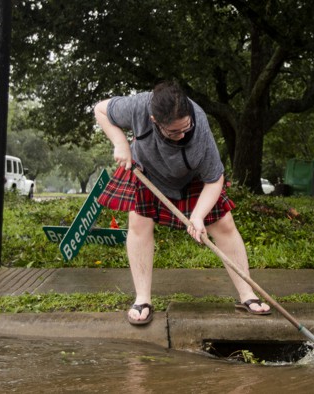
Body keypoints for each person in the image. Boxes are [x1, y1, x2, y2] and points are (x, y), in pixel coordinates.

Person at [94, 81, 271, 326]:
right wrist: (120, 143)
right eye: (174, 132)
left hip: (191, 176)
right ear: (154, 119)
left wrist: (198, 216)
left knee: (224, 224)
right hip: (147, 170)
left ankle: (247, 294)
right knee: (138, 222)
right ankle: (142, 299)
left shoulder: (199, 130)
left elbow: (214, 178)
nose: (182, 134)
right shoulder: (138, 106)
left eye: (185, 127)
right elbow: (101, 110)